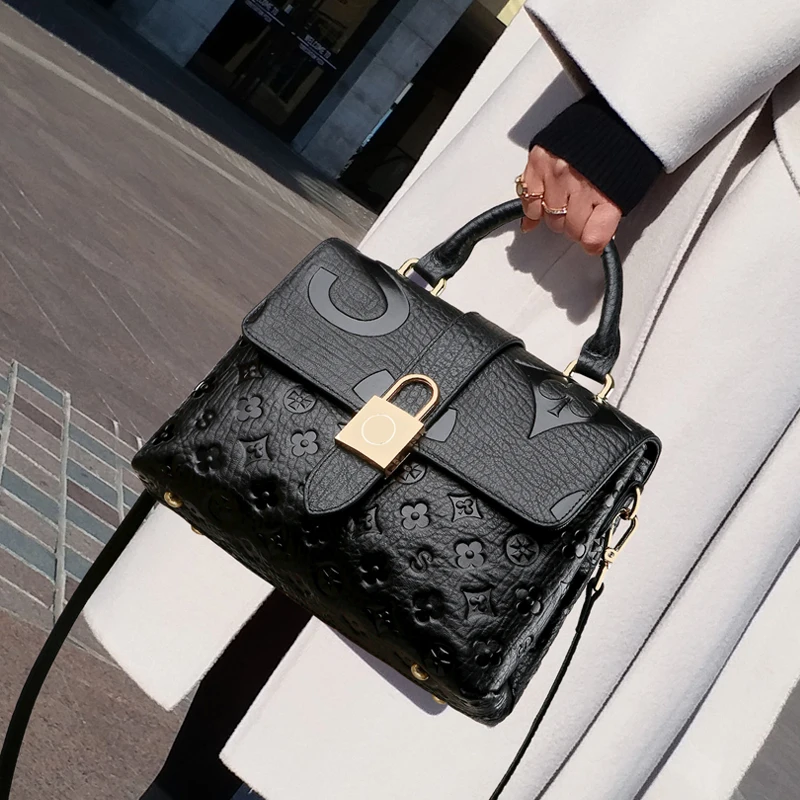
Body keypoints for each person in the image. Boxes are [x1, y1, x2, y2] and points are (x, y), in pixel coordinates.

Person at [85, 1, 800, 798]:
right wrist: (649, 99)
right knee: (375, 511)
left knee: (477, 567)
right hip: (723, 122)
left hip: (737, 165)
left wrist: (646, 106)